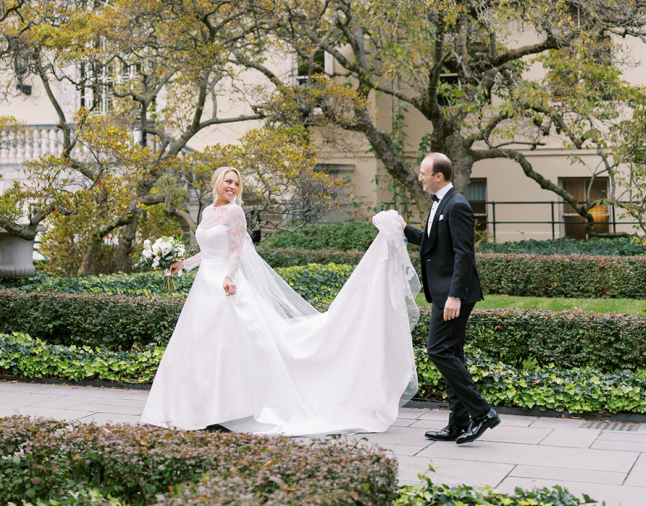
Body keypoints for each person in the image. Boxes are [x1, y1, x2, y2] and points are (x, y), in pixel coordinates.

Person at [140, 165, 421, 436]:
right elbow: (209, 250)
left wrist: (230, 277)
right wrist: (183, 264)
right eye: (228, 182)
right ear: (216, 182)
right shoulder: (207, 212)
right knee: (200, 345)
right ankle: (196, 407)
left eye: (236, 184)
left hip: (226, 285)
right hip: (204, 284)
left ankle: (229, 409)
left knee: (228, 347)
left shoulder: (235, 212)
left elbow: (236, 249)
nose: (232, 187)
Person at [399, 153, 500, 445]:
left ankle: (482, 413)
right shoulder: (439, 204)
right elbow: (433, 243)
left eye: (423, 173)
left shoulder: (457, 205)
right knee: (452, 354)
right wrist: (404, 229)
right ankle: (458, 424)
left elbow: (464, 254)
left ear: (438, 177)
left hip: (454, 295)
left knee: (438, 350)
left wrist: (455, 295)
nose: (419, 177)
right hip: (443, 293)